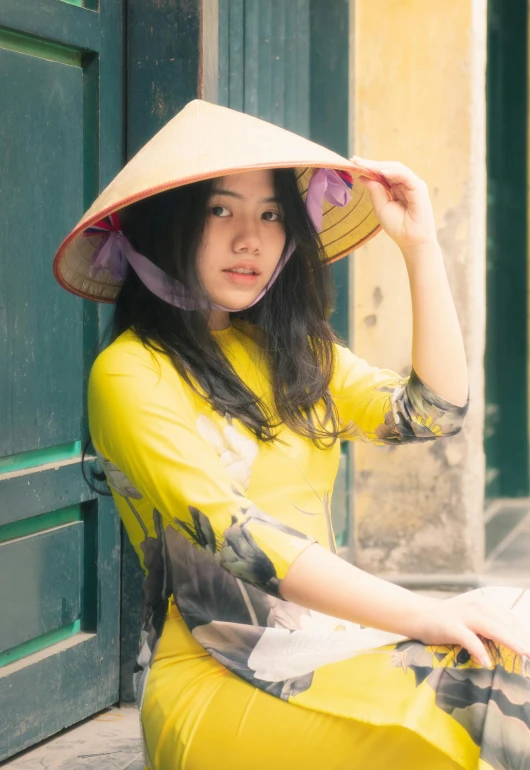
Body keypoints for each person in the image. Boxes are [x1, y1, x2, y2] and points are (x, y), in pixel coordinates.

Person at [54, 100, 530, 770]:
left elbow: (433, 413)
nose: (250, 237)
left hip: (332, 648)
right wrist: (424, 614)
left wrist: (419, 246)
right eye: (221, 210)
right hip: (220, 682)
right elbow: (245, 542)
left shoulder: (296, 352)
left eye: (271, 213)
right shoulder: (129, 373)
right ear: (163, 227)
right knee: (483, 689)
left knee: (513, 643)